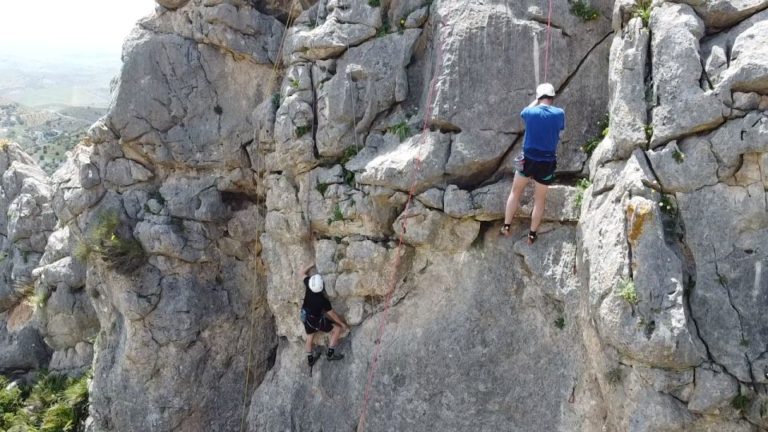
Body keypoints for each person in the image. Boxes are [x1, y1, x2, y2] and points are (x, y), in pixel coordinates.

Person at [500, 83, 565, 244]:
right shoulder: (559, 113)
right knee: (539, 199)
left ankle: (507, 226)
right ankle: (532, 234)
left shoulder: (530, 112)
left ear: (539, 97)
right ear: (552, 97)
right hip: (547, 162)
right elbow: (560, 127)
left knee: (515, 191)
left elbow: (524, 111)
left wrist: (535, 101)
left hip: (528, 159)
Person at [299, 263, 350, 370]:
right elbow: (332, 315)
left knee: (309, 337)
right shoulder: (323, 301)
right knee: (337, 329)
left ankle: (310, 360)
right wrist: (342, 324)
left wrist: (310, 264)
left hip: (305, 316)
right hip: (315, 320)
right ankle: (330, 354)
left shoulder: (309, 284)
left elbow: (301, 273)